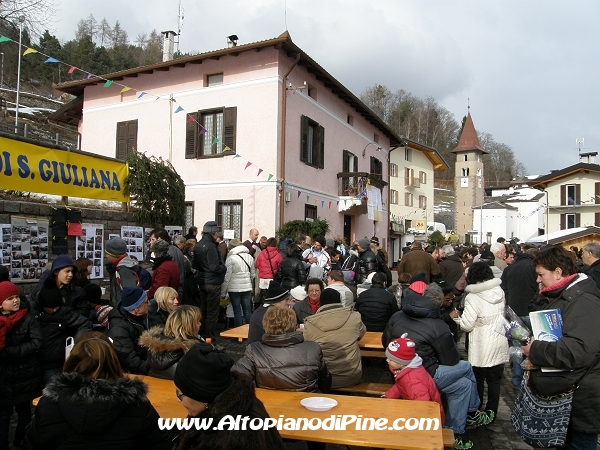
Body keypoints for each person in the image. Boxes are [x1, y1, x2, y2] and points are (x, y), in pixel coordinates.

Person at [23, 333, 172, 450]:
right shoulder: (136, 404)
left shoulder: (50, 402)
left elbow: (33, 443)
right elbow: (160, 443)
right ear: (113, 362)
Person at [382, 283, 486, 449]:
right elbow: (450, 360)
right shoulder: (438, 324)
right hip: (423, 374)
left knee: (463, 385)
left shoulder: (398, 316)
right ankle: (472, 411)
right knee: (466, 367)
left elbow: (385, 341)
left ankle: (452, 431)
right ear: (439, 304)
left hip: (401, 367)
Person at [521, 246, 600, 450]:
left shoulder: (583, 301)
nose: (538, 280)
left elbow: (578, 349)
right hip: (569, 395)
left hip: (581, 399)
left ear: (558, 272)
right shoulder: (563, 296)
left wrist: (535, 350)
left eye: (541, 275)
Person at [173, 343, 284, 450]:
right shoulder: (226, 406)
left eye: (180, 394)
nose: (178, 400)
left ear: (201, 396)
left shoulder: (237, 437)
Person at [451, 262, 508, 421]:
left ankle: (476, 409)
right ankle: (492, 412)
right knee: (495, 380)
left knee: (478, 378)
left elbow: (467, 325)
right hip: (498, 339)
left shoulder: (473, 297)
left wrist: (458, 320)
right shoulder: (499, 291)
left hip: (481, 343)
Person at [233, 306, 331, 392]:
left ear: (266, 324)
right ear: (294, 325)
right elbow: (325, 381)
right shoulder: (312, 348)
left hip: (267, 406)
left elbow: (237, 376)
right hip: (305, 404)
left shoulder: (254, 350)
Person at [0, 282, 41, 450]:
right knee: (3, 415)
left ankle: (20, 443)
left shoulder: (27, 317)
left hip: (26, 374)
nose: (15, 301)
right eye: (10, 298)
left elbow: (37, 341)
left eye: (17, 297)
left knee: (24, 413)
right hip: (3, 377)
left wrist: (14, 352)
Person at [34, 278, 92, 386]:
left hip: (54, 363)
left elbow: (85, 324)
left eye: (57, 306)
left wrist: (74, 344)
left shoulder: (65, 314)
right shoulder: (34, 315)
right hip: (36, 362)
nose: (55, 309)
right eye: (51, 307)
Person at [304, 289, 366, 389]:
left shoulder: (310, 323)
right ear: (339, 301)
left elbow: (307, 347)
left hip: (323, 379)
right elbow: (361, 334)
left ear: (321, 302)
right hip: (352, 375)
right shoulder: (354, 317)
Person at [382, 334, 445, 424]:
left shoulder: (414, 382)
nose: (387, 360)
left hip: (429, 420)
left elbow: (423, 406)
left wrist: (412, 420)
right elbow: (401, 384)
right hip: (417, 410)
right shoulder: (404, 371)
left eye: (391, 359)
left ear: (401, 363)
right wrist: (390, 394)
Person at [500, 245, 538, 387]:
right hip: (531, 311)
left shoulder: (510, 269)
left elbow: (504, 290)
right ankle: (530, 378)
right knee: (534, 346)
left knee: (518, 347)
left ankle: (517, 378)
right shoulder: (534, 268)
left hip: (514, 312)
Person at [140, 305, 204, 379]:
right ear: (189, 326)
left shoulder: (153, 346)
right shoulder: (195, 351)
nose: (200, 324)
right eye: (197, 322)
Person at [193, 221, 227, 341]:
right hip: (212, 282)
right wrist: (224, 268)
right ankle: (210, 338)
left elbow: (194, 264)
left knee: (203, 309)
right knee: (212, 312)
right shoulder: (211, 246)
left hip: (202, 281)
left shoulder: (198, 245)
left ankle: (201, 335)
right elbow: (214, 267)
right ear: (213, 233)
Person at [29, 255, 90, 320]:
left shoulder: (77, 292)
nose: (70, 275)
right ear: (56, 272)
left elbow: (84, 312)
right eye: (67, 271)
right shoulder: (40, 291)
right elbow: (31, 308)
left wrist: (66, 316)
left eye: (72, 271)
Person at [105, 287, 150, 374]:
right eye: (146, 302)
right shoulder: (118, 328)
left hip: (146, 361)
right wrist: (152, 370)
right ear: (136, 308)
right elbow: (129, 360)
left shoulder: (142, 316)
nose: (149, 304)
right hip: (131, 372)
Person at [221, 238, 256, 327]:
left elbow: (227, 277)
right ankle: (249, 332)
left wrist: (223, 292)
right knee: (247, 311)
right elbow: (253, 274)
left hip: (234, 289)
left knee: (237, 312)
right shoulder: (250, 257)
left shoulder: (231, 258)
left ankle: (238, 334)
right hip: (247, 288)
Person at [104, 237, 140, 307]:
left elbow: (130, 296)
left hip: (123, 314)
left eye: (107, 253)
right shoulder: (121, 268)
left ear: (114, 254)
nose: (106, 256)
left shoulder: (124, 271)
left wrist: (119, 313)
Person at [255, 237, 283, 305]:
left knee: (263, 295)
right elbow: (281, 266)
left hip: (262, 278)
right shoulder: (278, 255)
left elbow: (257, 264)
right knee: (272, 296)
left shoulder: (262, 253)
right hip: (272, 277)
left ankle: (263, 308)